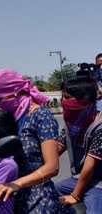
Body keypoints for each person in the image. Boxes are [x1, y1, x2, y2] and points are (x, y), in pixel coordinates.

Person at [0, 69, 69, 213]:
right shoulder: (12, 117)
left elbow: (52, 167)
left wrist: (16, 184)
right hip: (13, 195)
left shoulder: (41, 117)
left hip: (38, 198)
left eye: (0, 99)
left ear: (15, 92)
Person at [55, 77, 102, 214]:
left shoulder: (99, 126)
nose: (64, 101)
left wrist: (75, 196)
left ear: (84, 99)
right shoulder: (70, 123)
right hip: (75, 179)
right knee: (47, 194)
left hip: (98, 183)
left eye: (67, 97)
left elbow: (89, 166)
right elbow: (59, 147)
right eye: (62, 97)